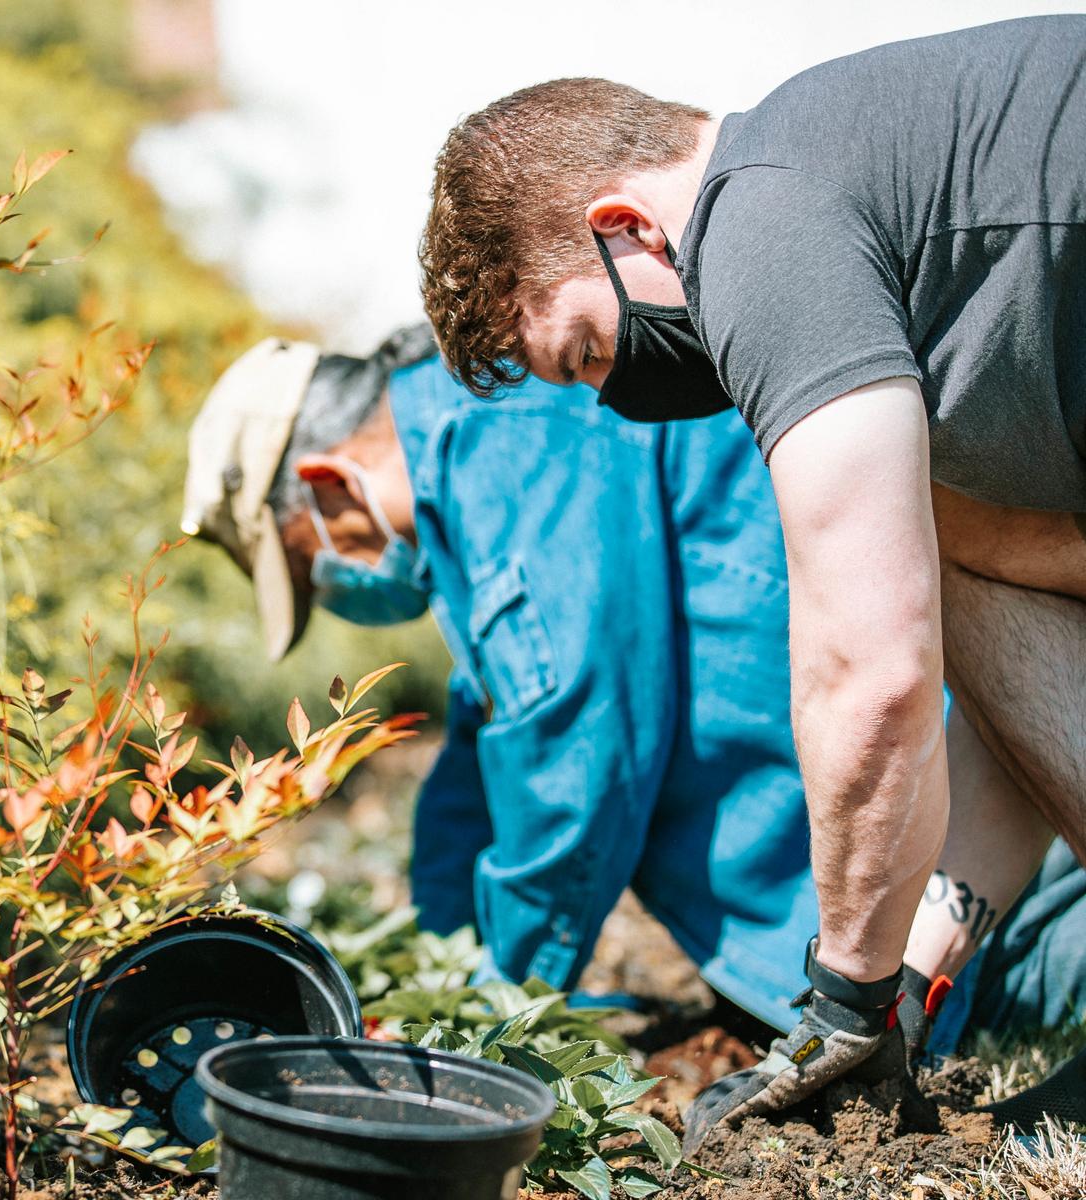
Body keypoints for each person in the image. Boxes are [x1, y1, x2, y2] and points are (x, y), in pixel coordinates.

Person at [416, 16, 1086, 1140]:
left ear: (627, 230)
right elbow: (1019, 701)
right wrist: (916, 977)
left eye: (586, 352)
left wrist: (844, 1002)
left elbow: (869, 671)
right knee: (958, 544)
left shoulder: (759, 225)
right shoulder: (854, 195)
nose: (610, 394)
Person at [180, 327, 1086, 1057]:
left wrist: (487, 1026)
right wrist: (438, 956)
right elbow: (483, 757)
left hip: (950, 854)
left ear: (329, 483)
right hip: (854, 852)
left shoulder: (510, 438)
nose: (343, 588)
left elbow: (576, 762)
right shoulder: (474, 459)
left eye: (313, 566)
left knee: (1048, 968)